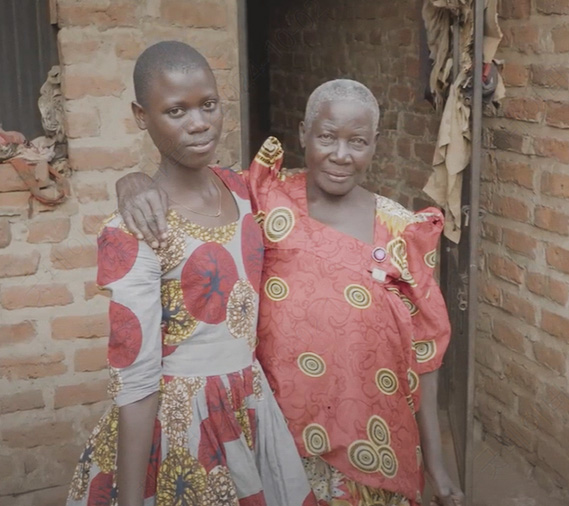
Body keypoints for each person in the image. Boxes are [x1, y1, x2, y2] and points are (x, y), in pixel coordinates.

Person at [116, 79, 465, 506]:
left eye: (357, 141)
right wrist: (133, 181)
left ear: (376, 143)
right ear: (303, 133)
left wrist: (438, 466)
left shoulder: (403, 230)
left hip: (377, 442)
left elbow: (425, 353)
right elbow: (189, 183)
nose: (340, 155)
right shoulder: (262, 197)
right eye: (326, 137)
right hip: (280, 438)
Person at [67, 41, 315, 506]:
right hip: (184, 424)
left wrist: (133, 179)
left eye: (209, 105)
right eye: (175, 111)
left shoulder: (244, 193)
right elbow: (136, 380)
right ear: (142, 116)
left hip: (250, 406)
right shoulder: (137, 230)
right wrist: (130, 499)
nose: (199, 123)